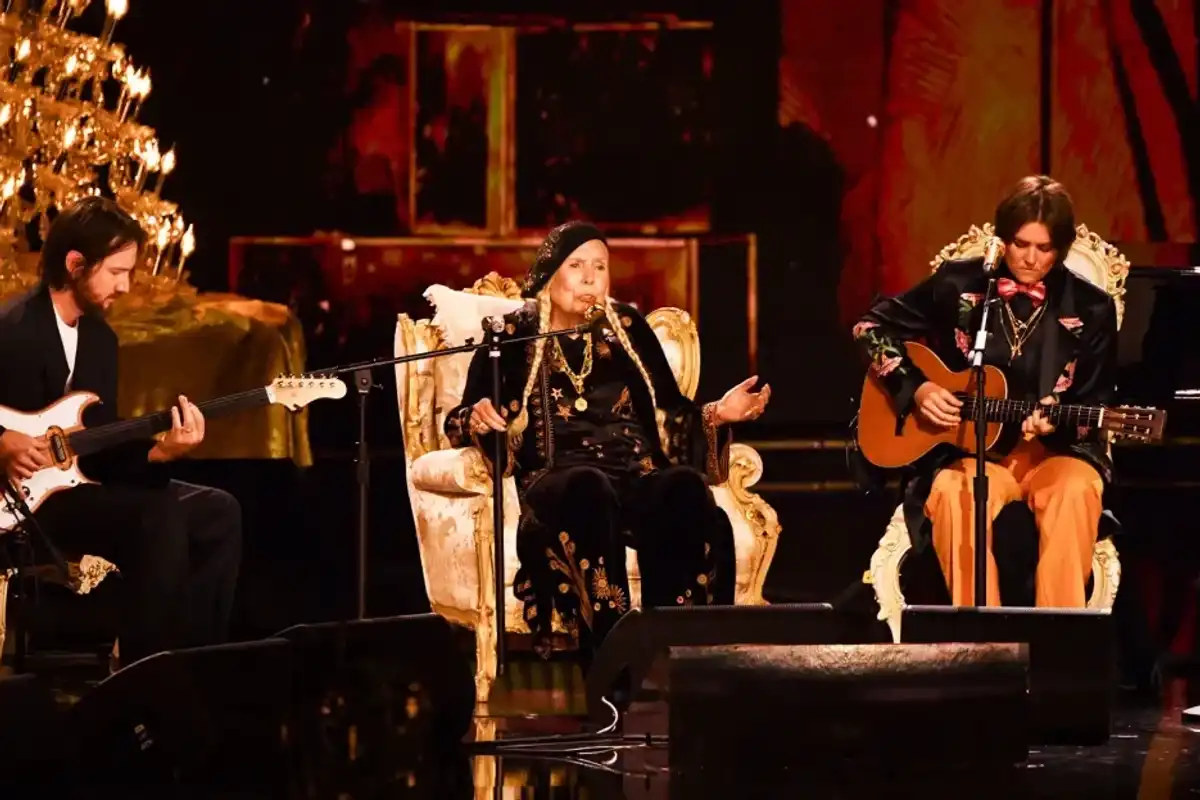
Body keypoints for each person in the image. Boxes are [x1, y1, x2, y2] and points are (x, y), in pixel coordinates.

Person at [444, 220, 771, 659]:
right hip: (560, 479)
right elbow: (458, 420)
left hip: (634, 475)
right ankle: (610, 656)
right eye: (576, 265)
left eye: (600, 266)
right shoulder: (514, 335)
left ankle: (684, 657)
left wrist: (717, 413)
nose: (589, 277)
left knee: (684, 488)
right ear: (550, 272)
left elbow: (670, 412)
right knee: (588, 488)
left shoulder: (627, 329)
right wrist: (479, 419)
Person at [853, 175, 1116, 608]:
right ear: (1002, 239)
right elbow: (868, 326)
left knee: (1075, 492)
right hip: (973, 453)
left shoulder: (1091, 308)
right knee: (955, 495)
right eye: (1019, 244)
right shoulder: (961, 285)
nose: (1030, 259)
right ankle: (983, 646)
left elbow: (1098, 400)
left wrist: (1058, 413)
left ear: (1062, 248)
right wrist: (915, 390)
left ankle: (1060, 645)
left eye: (1044, 248)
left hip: (1054, 455)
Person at [0, 197, 242, 669]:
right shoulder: (11, 327)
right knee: (154, 518)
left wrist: (160, 453)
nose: (126, 286)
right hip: (21, 503)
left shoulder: (100, 341)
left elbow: (102, 446)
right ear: (75, 264)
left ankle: (197, 669)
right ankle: (143, 682)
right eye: (116, 271)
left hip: (76, 485)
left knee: (217, 512)